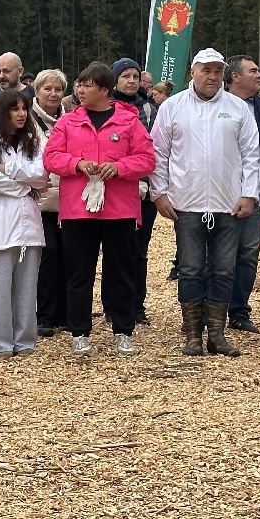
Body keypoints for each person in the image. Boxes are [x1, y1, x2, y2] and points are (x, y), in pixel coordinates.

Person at [149, 49, 259, 358]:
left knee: (224, 269)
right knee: (191, 268)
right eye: (205, 70)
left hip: (229, 203)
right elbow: (159, 153)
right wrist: (159, 193)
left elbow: (252, 153)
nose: (211, 77)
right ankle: (193, 335)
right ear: (193, 73)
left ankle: (218, 335)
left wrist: (249, 193)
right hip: (187, 202)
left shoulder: (237, 108)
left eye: (216, 71)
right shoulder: (173, 107)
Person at [43, 61, 155, 357]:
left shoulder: (129, 121)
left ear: (104, 90)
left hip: (119, 209)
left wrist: (118, 168)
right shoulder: (68, 122)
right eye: (79, 84)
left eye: (87, 85)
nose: (79, 89)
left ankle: (123, 330)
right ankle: (79, 331)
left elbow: (147, 159)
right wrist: (77, 164)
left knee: (121, 271)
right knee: (79, 272)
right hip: (78, 209)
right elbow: (51, 157)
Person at [0, 88, 49, 357]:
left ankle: (25, 341)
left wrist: (12, 171)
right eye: (15, 109)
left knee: (27, 288)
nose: (21, 114)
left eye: (24, 109)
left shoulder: (34, 141)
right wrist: (23, 187)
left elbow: (42, 175)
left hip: (28, 225)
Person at [224, 54, 260, 333]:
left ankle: (239, 311)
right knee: (217, 254)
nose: (259, 75)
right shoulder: (219, 104)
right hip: (221, 192)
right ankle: (211, 308)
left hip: (254, 192)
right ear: (236, 77)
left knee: (247, 254)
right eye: (253, 71)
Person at [108, 58, 159, 326]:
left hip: (144, 188)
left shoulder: (149, 109)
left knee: (139, 250)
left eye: (135, 76)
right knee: (112, 249)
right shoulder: (105, 107)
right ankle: (112, 303)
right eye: (125, 76)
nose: (131, 81)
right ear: (115, 79)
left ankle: (136, 305)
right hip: (114, 187)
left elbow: (155, 148)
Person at [30, 69, 68, 337]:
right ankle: (43, 313)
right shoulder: (26, 121)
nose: (53, 94)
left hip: (68, 200)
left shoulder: (72, 120)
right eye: (48, 89)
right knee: (47, 256)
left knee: (69, 257)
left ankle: (65, 313)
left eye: (58, 89)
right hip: (40, 200)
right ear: (37, 91)